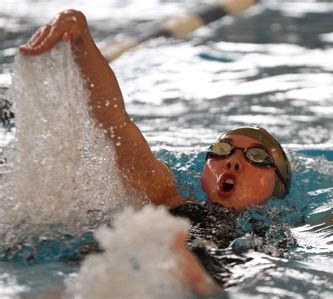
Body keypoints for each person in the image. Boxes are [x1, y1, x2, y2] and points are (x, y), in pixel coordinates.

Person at [19, 9, 292, 293]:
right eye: (223, 150)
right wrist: (82, 38)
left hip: (196, 272)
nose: (234, 161)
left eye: (257, 157)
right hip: (130, 266)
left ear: (278, 186)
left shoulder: (272, 238)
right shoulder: (167, 197)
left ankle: (194, 277)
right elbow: (115, 123)